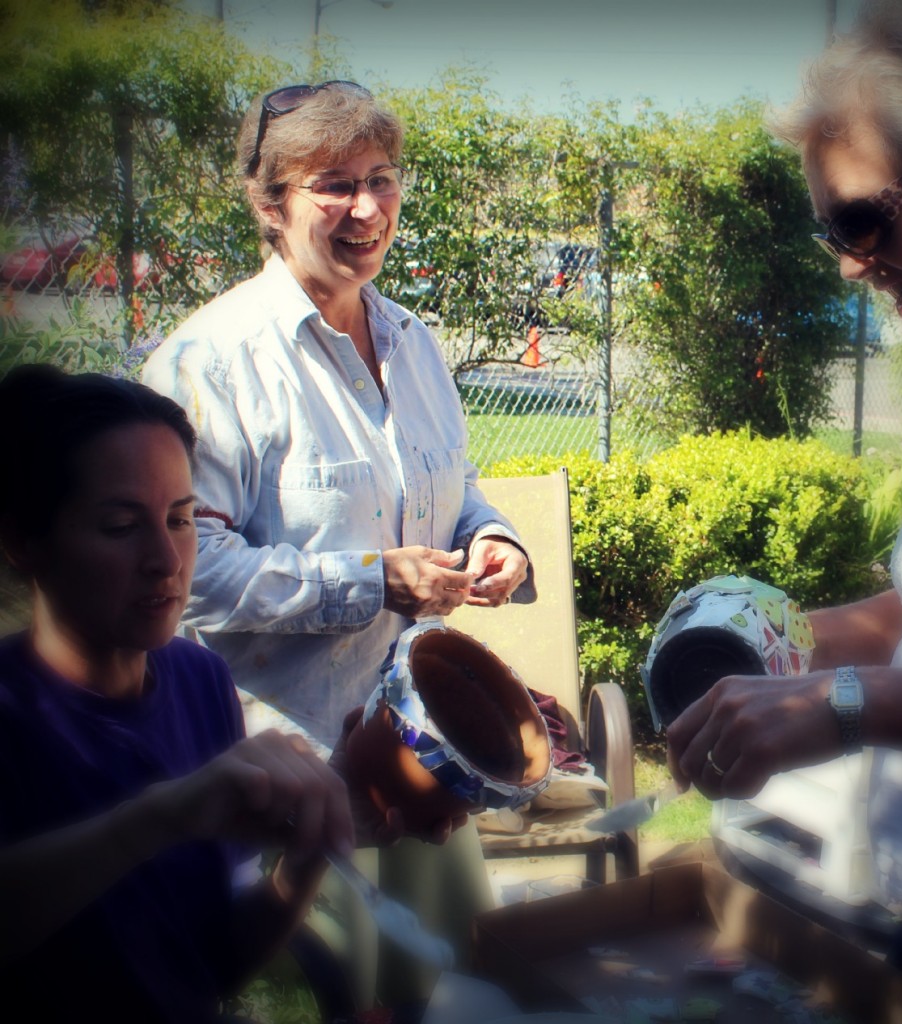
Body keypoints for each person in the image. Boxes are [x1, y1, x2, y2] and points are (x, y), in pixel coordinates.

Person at [666, 1, 902, 1016]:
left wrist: (845, 704)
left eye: (862, 219)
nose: (845, 261)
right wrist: (760, 648)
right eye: (830, 228)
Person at [142, 79, 533, 1007]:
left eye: (383, 179)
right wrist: (373, 583)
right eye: (332, 185)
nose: (366, 208)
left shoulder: (414, 342)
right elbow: (185, 571)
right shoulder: (208, 363)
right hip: (291, 787)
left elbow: (454, 488)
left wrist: (495, 540)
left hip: (422, 763)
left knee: (449, 993)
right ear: (271, 205)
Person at [0, 365, 359, 1023]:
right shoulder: (14, 715)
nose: (167, 559)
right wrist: (161, 816)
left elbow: (213, 961)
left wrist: (306, 859)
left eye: (182, 518)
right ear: (24, 541)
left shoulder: (199, 681)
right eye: (120, 526)